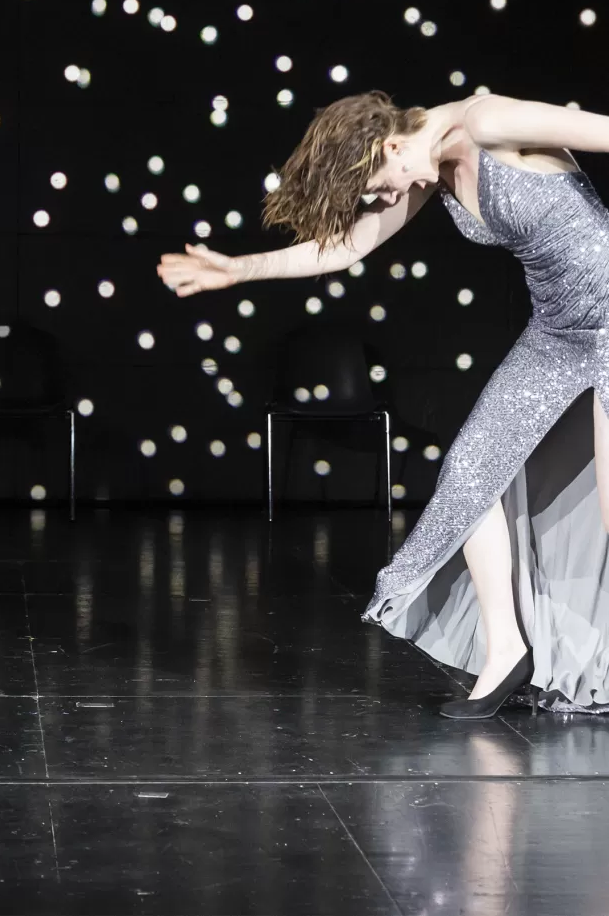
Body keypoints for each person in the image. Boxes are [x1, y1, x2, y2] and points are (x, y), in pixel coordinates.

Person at [158, 89, 609, 717]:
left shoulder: (489, 121)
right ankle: (507, 651)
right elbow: (347, 247)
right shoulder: (431, 166)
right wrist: (238, 270)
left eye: (378, 185)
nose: (388, 196)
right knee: (470, 473)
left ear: (391, 145)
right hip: (558, 330)